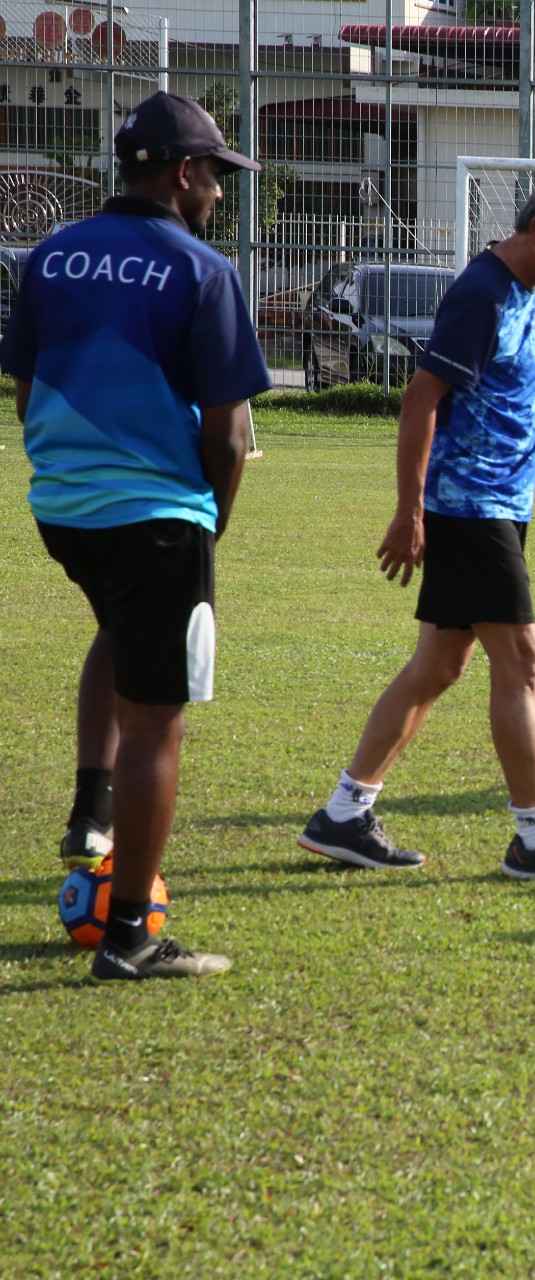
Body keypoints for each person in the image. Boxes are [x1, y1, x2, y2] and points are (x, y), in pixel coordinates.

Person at [297, 169, 535, 880]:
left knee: (439, 664)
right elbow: (419, 402)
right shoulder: (481, 295)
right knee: (522, 661)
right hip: (471, 507)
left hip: (501, 504)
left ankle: (342, 816)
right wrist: (409, 512)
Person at [3, 91, 272, 979]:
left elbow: (25, 384)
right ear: (183, 172)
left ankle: (93, 810)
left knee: (118, 634)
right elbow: (230, 435)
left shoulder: (50, 256)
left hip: (65, 510)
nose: (221, 198)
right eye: (217, 179)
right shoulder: (201, 270)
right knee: (160, 719)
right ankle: (129, 940)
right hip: (156, 514)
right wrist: (214, 520)